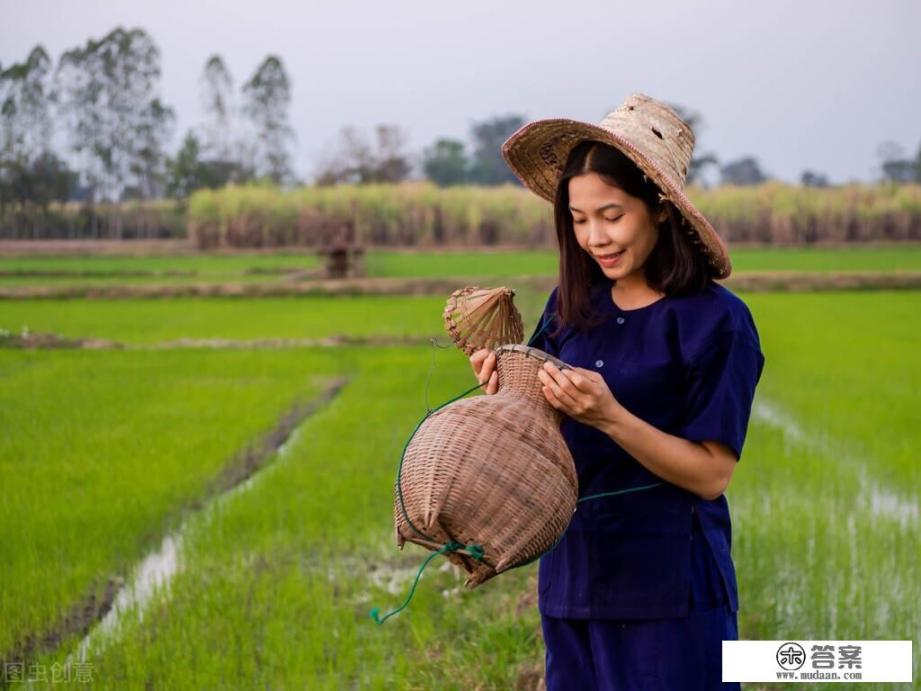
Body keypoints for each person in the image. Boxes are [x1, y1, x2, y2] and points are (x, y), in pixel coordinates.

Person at [469, 93, 765, 690]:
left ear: (658, 209)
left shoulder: (715, 322)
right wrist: (505, 389)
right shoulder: (570, 309)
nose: (594, 237)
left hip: (670, 593)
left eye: (611, 215)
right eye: (578, 220)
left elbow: (711, 475)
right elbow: (539, 429)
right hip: (573, 578)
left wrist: (609, 416)